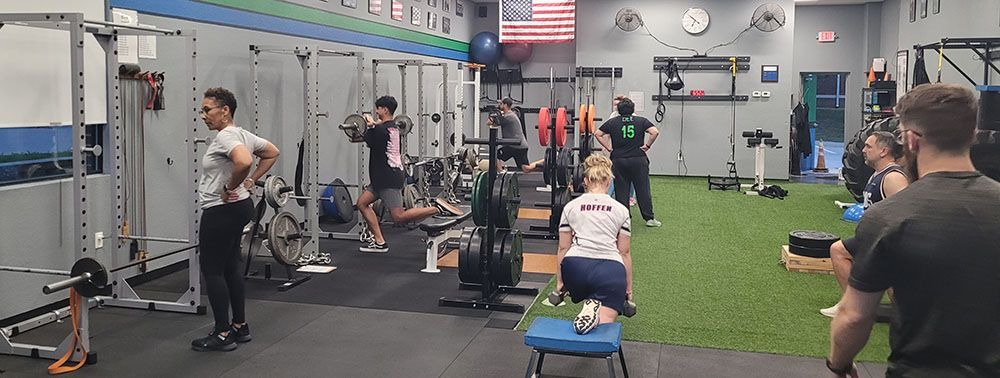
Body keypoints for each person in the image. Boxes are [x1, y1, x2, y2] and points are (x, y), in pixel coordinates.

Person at [827, 83, 1000, 377]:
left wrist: (839, 364)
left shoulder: (888, 215)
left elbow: (854, 316)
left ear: (910, 139)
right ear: (972, 135)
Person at [191, 87, 279, 352]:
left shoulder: (227, 136)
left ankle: (222, 333)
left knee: (213, 270)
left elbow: (242, 161)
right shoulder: (241, 133)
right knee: (230, 267)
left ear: (225, 111)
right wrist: (251, 181)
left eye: (207, 110)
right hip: (240, 207)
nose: (203, 115)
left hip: (222, 209)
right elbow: (272, 151)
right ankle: (240, 326)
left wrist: (231, 187)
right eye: (201, 110)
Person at [356, 95, 462, 253]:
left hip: (387, 178)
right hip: (382, 178)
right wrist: (374, 125)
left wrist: (370, 125)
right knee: (362, 203)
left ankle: (436, 209)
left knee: (398, 216)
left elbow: (366, 138)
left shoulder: (380, 130)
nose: (376, 112)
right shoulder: (393, 128)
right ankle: (380, 242)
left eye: (378, 109)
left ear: (385, 109)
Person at [821, 131, 908, 317]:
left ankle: (853, 307)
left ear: (883, 151)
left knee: (839, 251)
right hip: (873, 237)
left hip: (885, 241)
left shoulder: (893, 178)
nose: (863, 150)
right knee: (839, 250)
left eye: (869, 146)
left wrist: (889, 246)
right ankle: (852, 305)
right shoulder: (878, 174)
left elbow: (905, 214)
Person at [555, 154, 634, 334]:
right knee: (605, 322)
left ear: (585, 181)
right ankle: (596, 310)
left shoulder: (571, 207)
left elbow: (563, 248)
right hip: (609, 272)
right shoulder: (621, 210)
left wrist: (560, 282)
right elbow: (624, 253)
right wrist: (628, 289)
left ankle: (590, 305)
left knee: (586, 287)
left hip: (574, 269)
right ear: (608, 181)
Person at [594, 97, 662, 227]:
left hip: (619, 160)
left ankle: (624, 220)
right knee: (643, 188)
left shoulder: (613, 122)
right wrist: (647, 146)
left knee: (621, 190)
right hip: (638, 159)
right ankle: (649, 219)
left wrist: (608, 147)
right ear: (633, 110)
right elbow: (655, 132)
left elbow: (597, 134)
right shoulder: (641, 121)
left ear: (618, 110)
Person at [490, 97, 544, 172]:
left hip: (514, 145)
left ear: (505, 105)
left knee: (495, 154)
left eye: (501, 104)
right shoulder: (511, 114)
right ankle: (545, 160)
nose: (499, 105)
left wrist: (493, 115)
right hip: (520, 146)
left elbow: (490, 122)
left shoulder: (508, 117)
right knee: (526, 169)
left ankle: (501, 174)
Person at [605, 95, 636, 207]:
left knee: (631, 174)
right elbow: (607, 131)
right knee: (614, 173)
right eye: (614, 105)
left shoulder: (633, 117)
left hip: (631, 151)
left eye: (617, 105)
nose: (615, 107)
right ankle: (609, 195)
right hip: (618, 150)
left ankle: (631, 197)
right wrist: (606, 145)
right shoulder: (613, 116)